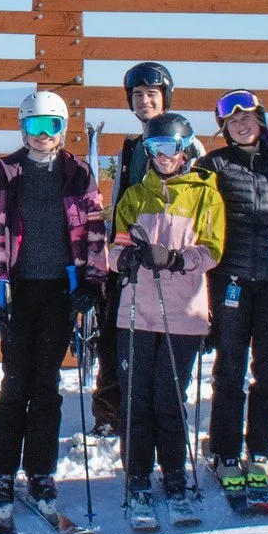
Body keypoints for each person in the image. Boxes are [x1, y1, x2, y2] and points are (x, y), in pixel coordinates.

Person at [0, 88, 108, 534]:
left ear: (62, 128)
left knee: (47, 384)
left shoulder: (77, 171)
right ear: (22, 129)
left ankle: (41, 469)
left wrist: (93, 281)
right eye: (33, 126)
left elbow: (94, 231)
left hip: (58, 290)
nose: (42, 136)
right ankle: (2, 470)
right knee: (15, 382)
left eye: (50, 126)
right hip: (19, 288)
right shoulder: (8, 171)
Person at [110, 114, 226, 528]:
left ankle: (174, 473)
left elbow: (212, 250)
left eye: (171, 148)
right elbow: (115, 247)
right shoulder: (134, 197)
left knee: (169, 396)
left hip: (182, 313)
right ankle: (138, 475)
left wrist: (177, 258)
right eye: (155, 148)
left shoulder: (203, 194)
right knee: (136, 396)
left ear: (185, 150)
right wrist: (122, 257)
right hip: (136, 311)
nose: (163, 157)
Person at [199, 90, 268, 505]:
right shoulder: (213, 166)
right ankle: (225, 450)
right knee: (229, 368)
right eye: (233, 121)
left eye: (249, 117)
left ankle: (260, 447)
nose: (242, 125)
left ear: (262, 121)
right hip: (231, 280)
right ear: (224, 129)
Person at [94, 61, 174, 435]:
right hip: (126, 257)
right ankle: (110, 413)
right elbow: (119, 201)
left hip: (168, 259)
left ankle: (159, 412)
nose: (144, 101)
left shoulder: (182, 140)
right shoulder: (131, 147)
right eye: (138, 95)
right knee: (114, 335)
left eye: (151, 95)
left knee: (160, 341)